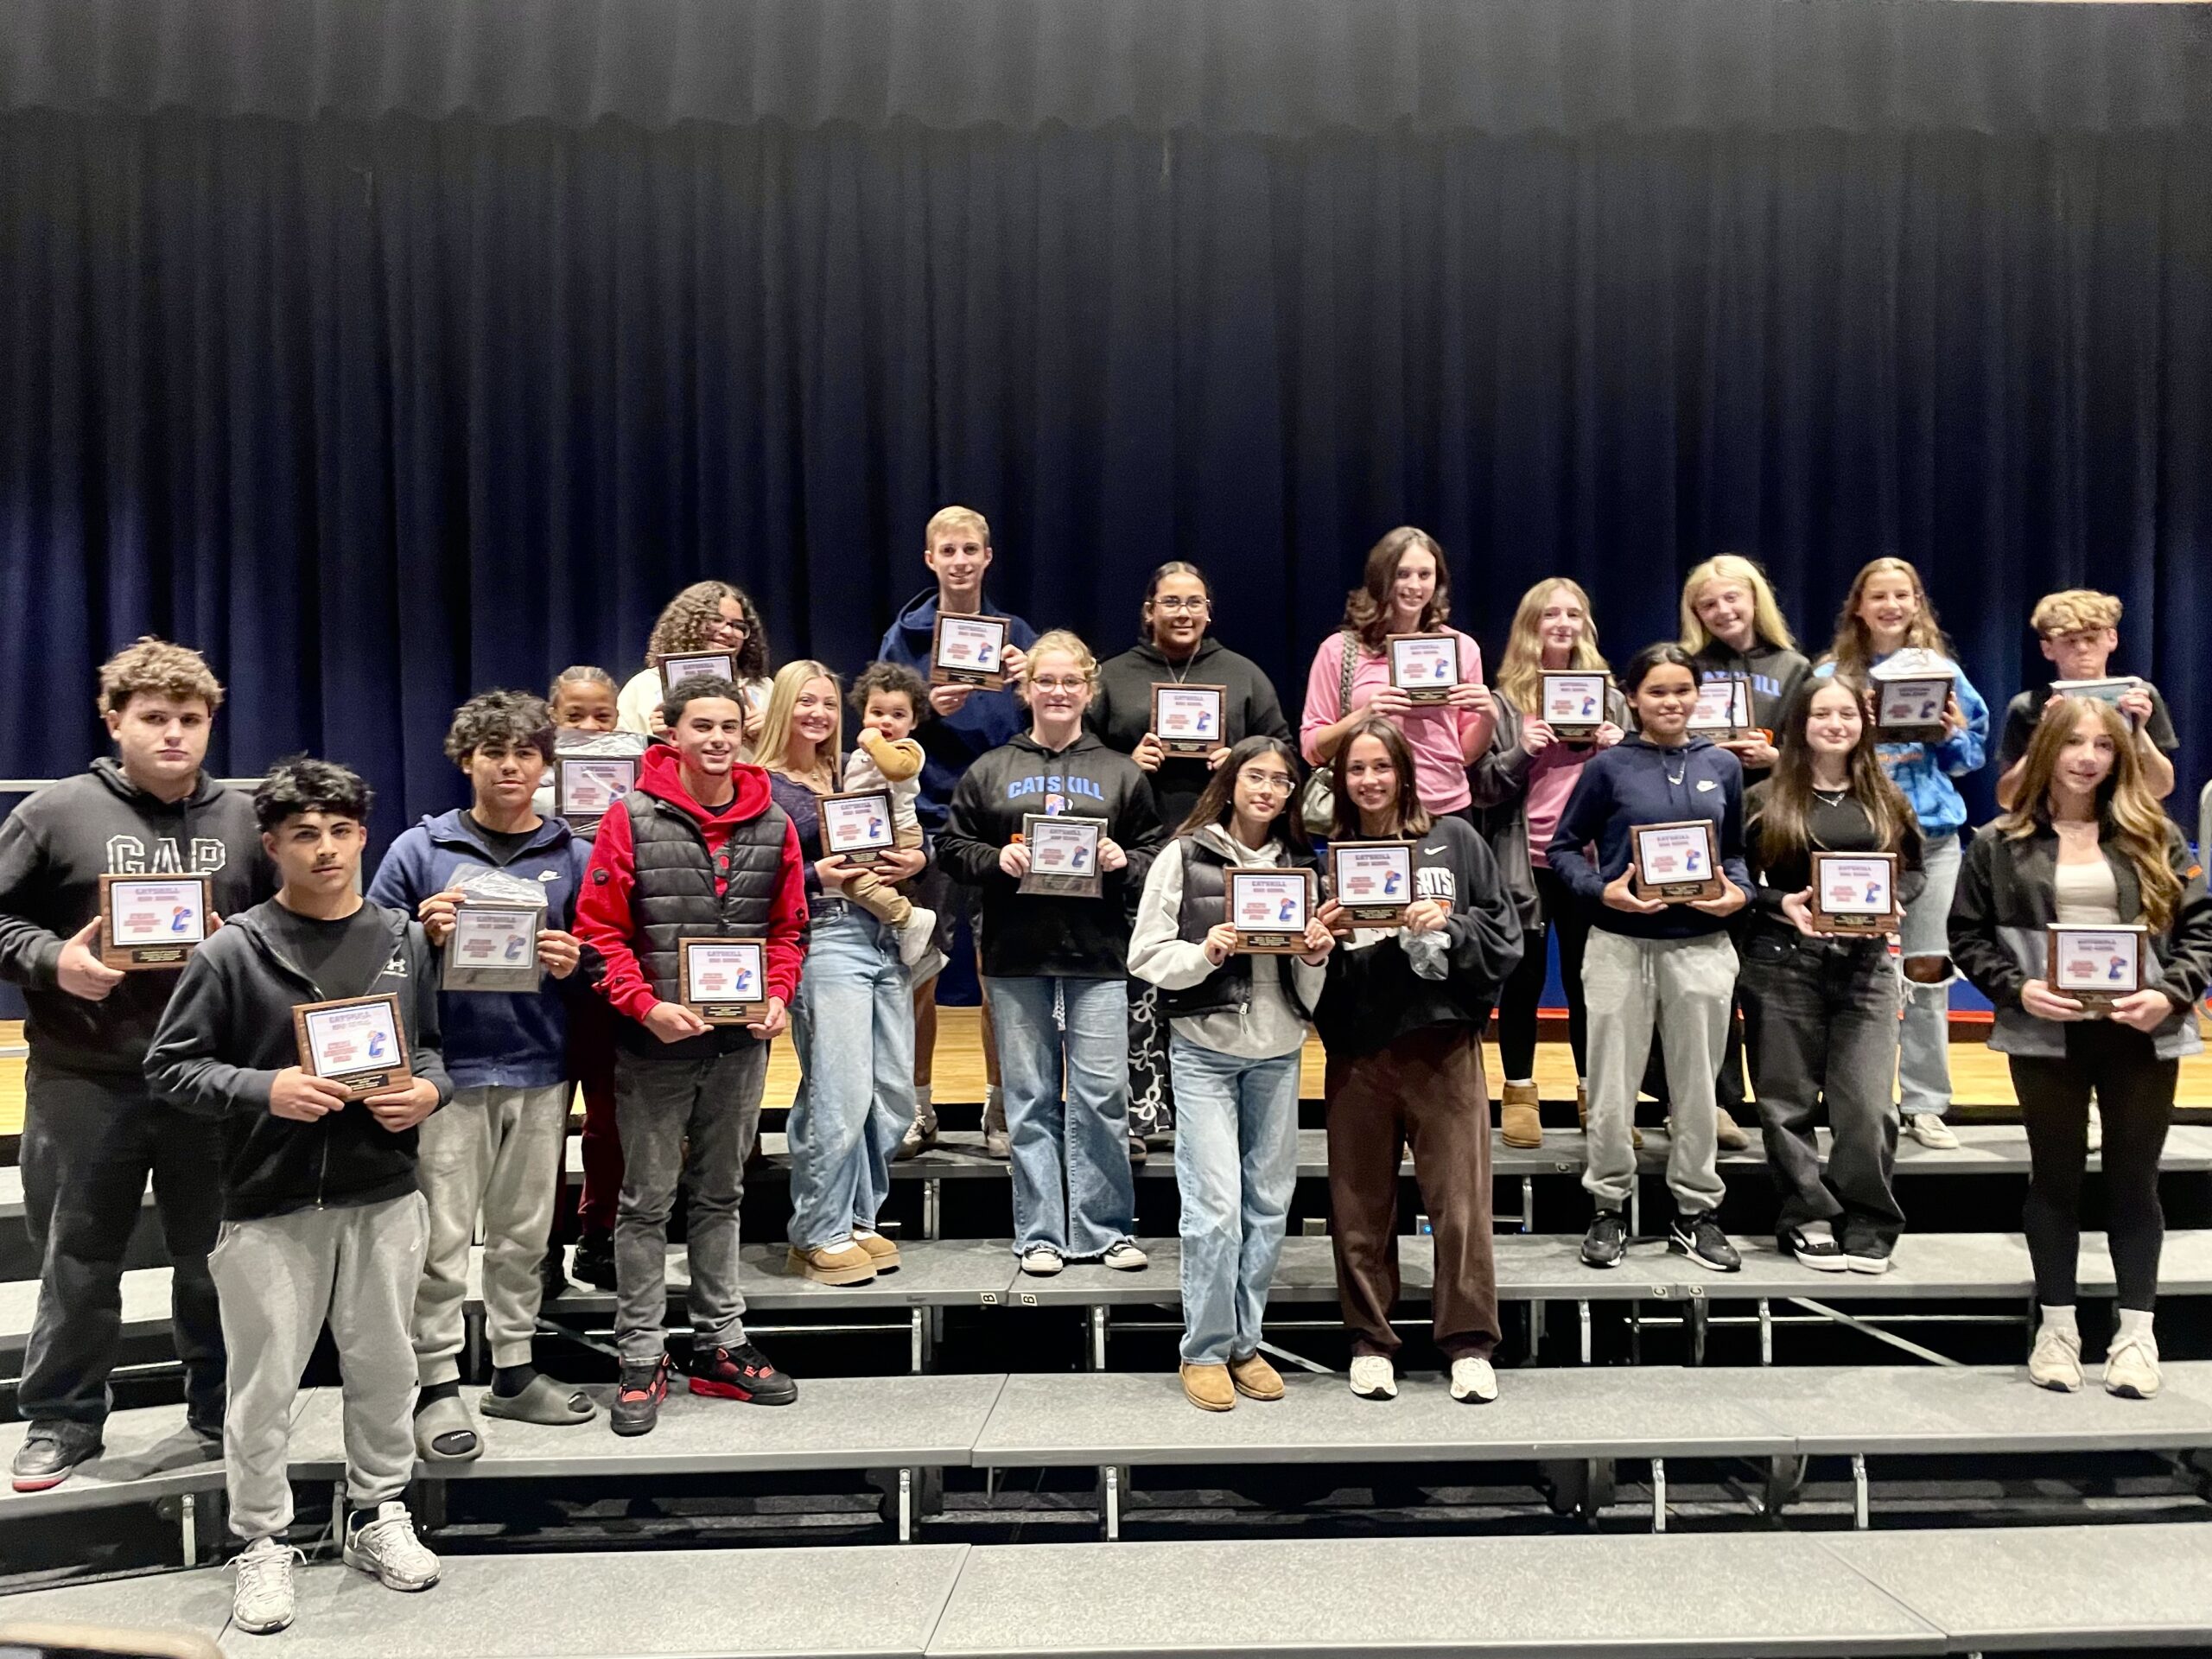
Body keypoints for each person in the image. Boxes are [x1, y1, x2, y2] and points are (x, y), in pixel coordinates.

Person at [144, 758, 449, 1637]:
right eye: (305, 835)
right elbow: (169, 1068)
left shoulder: (403, 937)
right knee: (264, 1384)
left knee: (386, 1368)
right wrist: (263, 1089)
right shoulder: (231, 949)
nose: (326, 850)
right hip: (268, 1204)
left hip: (385, 1194)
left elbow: (427, 1048)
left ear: (364, 835)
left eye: (342, 830)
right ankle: (261, 1540)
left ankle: (377, 1511)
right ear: (271, 845)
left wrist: (429, 1092)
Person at [0, 638, 273, 1493]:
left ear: (210, 725)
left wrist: (249, 955)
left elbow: (287, 927)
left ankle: (220, 1406)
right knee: (77, 1259)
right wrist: (55, 963)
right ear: (114, 720)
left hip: (208, 1080)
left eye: (190, 720)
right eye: (154, 718)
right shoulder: (53, 813)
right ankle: (64, 1418)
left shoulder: (242, 816)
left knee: (213, 1259)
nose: (173, 735)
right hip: (85, 1076)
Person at [1951, 697, 2212, 1399]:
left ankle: (2136, 1335)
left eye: (2103, 744)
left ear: (2120, 755)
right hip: (2044, 1032)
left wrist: (2171, 994)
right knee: (2055, 1181)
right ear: (2047, 752)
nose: (2088, 756)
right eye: (2074, 743)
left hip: (2143, 1032)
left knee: (2135, 1184)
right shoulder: (1997, 842)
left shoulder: (2157, 834)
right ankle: (2058, 1328)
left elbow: (2201, 932)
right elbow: (1966, 937)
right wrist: (2018, 990)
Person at [574, 674, 807, 1435]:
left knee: (721, 1195)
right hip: (654, 1044)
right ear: (669, 734)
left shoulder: (774, 820)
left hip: (740, 1046)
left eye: (728, 726)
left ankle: (720, 1344)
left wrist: (777, 996)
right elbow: (599, 934)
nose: (715, 739)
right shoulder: (628, 816)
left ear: (745, 731)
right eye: (700, 726)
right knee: (644, 1203)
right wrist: (647, 1007)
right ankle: (641, 1354)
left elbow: (789, 930)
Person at [366, 691, 596, 1459]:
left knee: (523, 1238)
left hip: (539, 1068)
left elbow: (601, 961)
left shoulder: (574, 856)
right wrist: (417, 933)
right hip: (449, 1074)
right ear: (466, 760)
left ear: (544, 765)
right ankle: (434, 1386)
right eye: (493, 752)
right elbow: (369, 960)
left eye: (525, 753)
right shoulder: (417, 851)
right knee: (440, 1242)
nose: (510, 766)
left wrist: (573, 960)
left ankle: (514, 1372)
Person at [938, 630, 1164, 1275]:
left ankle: (1104, 1228)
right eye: (1046, 681)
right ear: (1025, 688)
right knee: (1031, 1098)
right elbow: (952, 848)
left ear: (1088, 691)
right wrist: (995, 857)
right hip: (1016, 954)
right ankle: (1040, 1232)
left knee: (1101, 1095)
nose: (1058, 691)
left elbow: (1156, 850)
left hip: (1096, 957)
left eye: (1070, 681)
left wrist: (1126, 859)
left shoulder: (1121, 771)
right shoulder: (991, 769)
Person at [1313, 719, 1522, 1402]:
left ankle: (1467, 1344)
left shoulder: (1455, 839)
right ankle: (1372, 1342)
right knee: (1359, 1208)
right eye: (1355, 770)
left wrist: (1450, 925)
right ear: (1341, 782)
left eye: (1381, 767)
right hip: (1358, 1051)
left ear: (1404, 770)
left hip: (1442, 1047)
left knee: (1459, 1209)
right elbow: (1302, 961)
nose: (1369, 780)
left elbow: (1503, 929)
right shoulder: (1328, 858)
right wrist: (1322, 938)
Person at [1128, 736, 1332, 1412]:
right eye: (1257, 776)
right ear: (1232, 781)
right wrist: (1204, 952)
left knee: (1268, 1206)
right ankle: (1205, 1348)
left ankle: (1247, 1341)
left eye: (1282, 780)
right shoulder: (1184, 855)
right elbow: (1145, 956)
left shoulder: (1303, 865)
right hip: (1205, 1052)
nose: (1268, 789)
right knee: (1215, 1209)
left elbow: (1315, 984)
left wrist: (1315, 954)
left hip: (1277, 1053)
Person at [1549, 643, 1751, 1275]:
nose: (1671, 702)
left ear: (1699, 696)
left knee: (1697, 1090)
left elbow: (1738, 851)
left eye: (1682, 691)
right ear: (1632, 698)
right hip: (1618, 946)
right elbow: (1560, 849)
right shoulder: (1608, 768)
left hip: (1701, 948)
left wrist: (1737, 894)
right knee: (1611, 1089)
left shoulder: (1722, 764)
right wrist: (1598, 891)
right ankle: (1608, 1206)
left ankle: (1695, 1212)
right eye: (1657, 692)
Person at [1090, 562, 1294, 1149]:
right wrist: (1125, 764)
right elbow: (1084, 761)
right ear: (1149, 610)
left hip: (1223, 864)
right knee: (1140, 994)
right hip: (1136, 856)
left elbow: (1280, 751)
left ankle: (1203, 1118)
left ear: (1209, 611)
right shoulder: (1114, 676)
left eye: (1194, 602)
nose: (1183, 613)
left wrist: (1243, 758)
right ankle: (1140, 1118)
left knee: (1211, 990)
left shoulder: (1243, 676)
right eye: (1171, 602)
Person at [1739, 676, 1924, 1274]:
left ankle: (1868, 1217)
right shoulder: (1765, 797)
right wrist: (1780, 905)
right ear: (1801, 724)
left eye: (1847, 713)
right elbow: (1735, 880)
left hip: (1867, 965)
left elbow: (1914, 871)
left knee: (1868, 1106)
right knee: (1786, 1101)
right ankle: (1806, 1212)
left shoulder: (1886, 798)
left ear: (1863, 723)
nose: (1837, 724)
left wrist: (1897, 903)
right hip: (1782, 963)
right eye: (1823, 714)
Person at [753, 662, 928, 1286]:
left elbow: (904, 827)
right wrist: (813, 878)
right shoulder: (761, 785)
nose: (819, 714)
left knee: (891, 1095)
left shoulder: (848, 771)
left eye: (828, 704)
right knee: (840, 1092)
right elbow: (745, 881)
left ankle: (858, 1218)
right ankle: (817, 1231)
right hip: (824, 936)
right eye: (805, 702)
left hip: (883, 937)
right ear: (781, 708)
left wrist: (916, 854)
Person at [877, 505, 1038, 1158]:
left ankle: (1002, 1109)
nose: (961, 561)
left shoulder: (1016, 635)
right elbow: (880, 728)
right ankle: (917, 1106)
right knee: (919, 971)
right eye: (948, 550)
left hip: (1003, 828)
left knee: (1000, 973)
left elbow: (1049, 721)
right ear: (930, 559)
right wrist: (922, 706)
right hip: (927, 825)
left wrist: (1032, 684)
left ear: (988, 557)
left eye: (971, 549)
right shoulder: (905, 636)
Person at [1817, 557, 1989, 1152]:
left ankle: (1924, 1102)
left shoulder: (1943, 674)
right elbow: (1812, 755)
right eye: (1878, 596)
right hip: (1856, 842)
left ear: (1918, 604)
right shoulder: (1831, 675)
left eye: (1902, 595)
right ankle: (1854, 1099)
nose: (1891, 606)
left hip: (1932, 841)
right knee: (1847, 976)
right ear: (1858, 607)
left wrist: (1948, 735)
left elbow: (1972, 761)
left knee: (1926, 969)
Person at [1470, 578, 1627, 1149]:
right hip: (1522, 862)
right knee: (1523, 982)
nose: (1562, 623)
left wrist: (1623, 749)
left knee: (1595, 985)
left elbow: (1642, 787)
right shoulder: (1501, 700)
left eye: (1573, 613)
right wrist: (1523, 748)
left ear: (1585, 624)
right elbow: (1482, 788)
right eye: (1550, 614)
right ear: (1530, 624)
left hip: (1591, 866)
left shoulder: (1610, 698)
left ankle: (1597, 1095)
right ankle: (1519, 1090)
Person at [1669, 552, 1813, 1145]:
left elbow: (1820, 750)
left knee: (1771, 969)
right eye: (1709, 604)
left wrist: (1777, 761)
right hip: (1708, 826)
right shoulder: (1688, 666)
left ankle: (1785, 1098)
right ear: (1696, 613)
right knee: (1708, 969)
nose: (1723, 610)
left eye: (1733, 598)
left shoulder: (1794, 667)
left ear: (1755, 599)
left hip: (1775, 828)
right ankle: (1715, 1099)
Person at [535, 664, 643, 1294]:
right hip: (545, 985)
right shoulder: (530, 793)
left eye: (602, 716)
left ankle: (598, 1234)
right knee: (547, 1121)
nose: (589, 727)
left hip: (609, 973)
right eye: (575, 716)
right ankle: (542, 1243)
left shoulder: (634, 795)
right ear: (554, 719)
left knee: (611, 1117)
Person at [1300, 526, 1497, 823]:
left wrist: (1488, 717)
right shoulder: (1339, 650)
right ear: (1382, 577)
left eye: (1425, 575)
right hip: (1368, 813)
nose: (1414, 585)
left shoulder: (1461, 648)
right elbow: (1312, 748)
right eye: (1402, 574)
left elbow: (1466, 753)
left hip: (1444, 808)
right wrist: (1364, 715)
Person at [1995, 589, 2177, 810]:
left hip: (2124, 821)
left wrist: (2139, 732)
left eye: (2091, 638)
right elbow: (2008, 798)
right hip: (2051, 824)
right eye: (2070, 641)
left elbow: (2160, 788)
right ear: (2048, 648)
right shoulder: (2028, 706)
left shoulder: (2140, 697)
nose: (2082, 649)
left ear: (2112, 638)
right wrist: (2045, 734)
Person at [837, 661, 941, 972]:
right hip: (866, 834)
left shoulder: (909, 749)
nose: (886, 722)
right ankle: (901, 928)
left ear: (913, 722)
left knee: (855, 882)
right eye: (877, 713)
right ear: (863, 713)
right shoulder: (855, 757)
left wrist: (873, 741)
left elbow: (896, 769)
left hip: (899, 834)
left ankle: (909, 919)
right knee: (855, 884)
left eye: (898, 715)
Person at [614, 581, 772, 740]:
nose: (728, 631)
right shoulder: (643, 687)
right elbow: (621, 753)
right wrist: (655, 741)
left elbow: (789, 757)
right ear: (687, 623)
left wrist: (770, 737)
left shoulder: (764, 689)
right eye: (716, 620)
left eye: (738, 626)